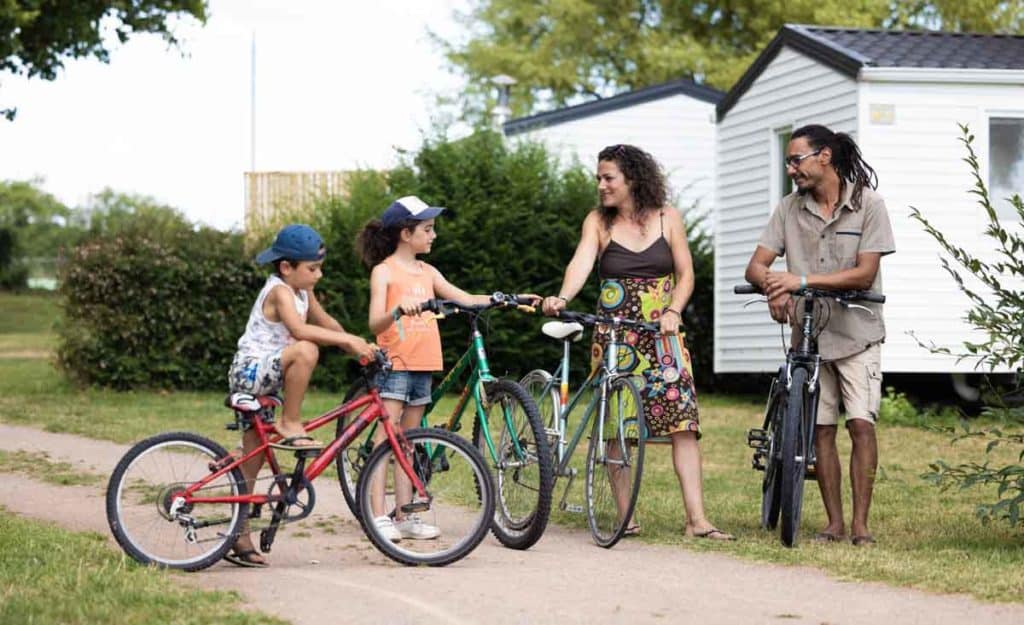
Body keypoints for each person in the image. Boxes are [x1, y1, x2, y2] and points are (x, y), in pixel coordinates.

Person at [542, 144, 732, 540]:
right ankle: (625, 516)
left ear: (633, 178)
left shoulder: (668, 217)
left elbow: (686, 275)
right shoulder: (598, 221)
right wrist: (562, 296)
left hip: (664, 334)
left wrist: (674, 310)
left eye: (608, 177)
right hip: (616, 335)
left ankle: (697, 520)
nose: (601, 185)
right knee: (617, 424)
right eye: (598, 178)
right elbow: (581, 262)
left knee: (683, 422)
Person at [744, 124, 895, 546]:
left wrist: (801, 280)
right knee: (822, 429)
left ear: (824, 156)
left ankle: (861, 525)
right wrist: (774, 286)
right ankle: (834, 523)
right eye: (788, 162)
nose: (791, 169)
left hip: (857, 332)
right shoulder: (788, 208)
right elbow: (755, 266)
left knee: (861, 425)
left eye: (796, 160)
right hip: (809, 337)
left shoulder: (869, 205)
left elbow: (865, 272)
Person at [356, 195, 519, 542]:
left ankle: (405, 515)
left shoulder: (428, 272)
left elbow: (465, 298)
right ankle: (377, 516)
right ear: (406, 233)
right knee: (388, 439)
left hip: (423, 365)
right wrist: (398, 310)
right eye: (427, 229)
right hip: (395, 364)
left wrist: (506, 298)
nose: (434, 235)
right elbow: (374, 322)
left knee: (409, 441)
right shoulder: (384, 271)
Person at [225, 223, 377, 566]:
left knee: (253, 459)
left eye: (320, 267)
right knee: (306, 349)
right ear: (286, 267)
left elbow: (326, 322)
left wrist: (359, 346)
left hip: (268, 377)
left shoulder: (302, 292)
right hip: (251, 371)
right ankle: (290, 421)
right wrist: (345, 341)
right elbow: (299, 330)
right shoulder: (279, 291)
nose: (319, 275)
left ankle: (239, 534)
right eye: (313, 268)